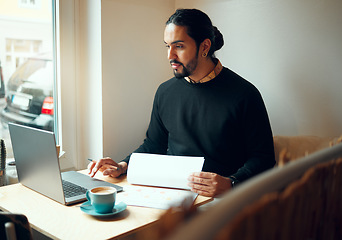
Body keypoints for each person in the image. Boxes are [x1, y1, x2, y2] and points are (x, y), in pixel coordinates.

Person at [89, 8, 275, 197]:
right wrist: (123, 165)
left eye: (179, 46)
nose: (170, 56)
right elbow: (154, 145)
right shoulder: (165, 92)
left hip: (222, 201)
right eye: (167, 46)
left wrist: (232, 183)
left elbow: (264, 159)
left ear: (204, 47)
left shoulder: (244, 94)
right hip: (172, 194)